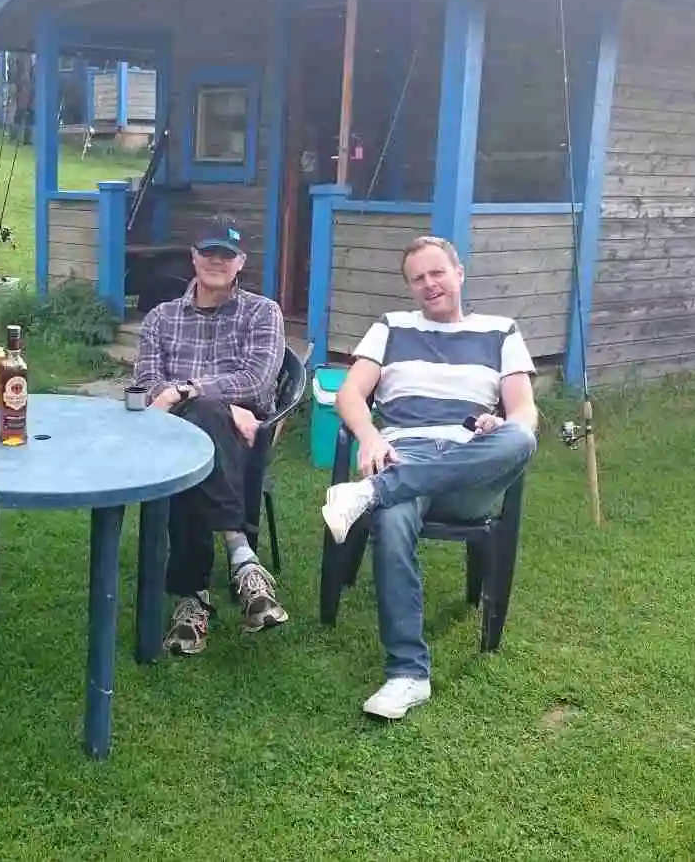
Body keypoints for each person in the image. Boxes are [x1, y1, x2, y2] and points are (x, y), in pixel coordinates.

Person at [322, 236, 539, 721]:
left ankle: (371, 493)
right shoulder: (390, 327)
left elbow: (524, 413)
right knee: (395, 518)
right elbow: (350, 395)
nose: (429, 284)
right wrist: (370, 437)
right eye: (418, 278)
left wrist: (499, 424)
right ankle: (408, 675)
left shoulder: (501, 331)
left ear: (459, 272)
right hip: (404, 450)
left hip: (470, 463)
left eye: (437, 272)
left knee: (520, 440)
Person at [131, 213, 288, 656]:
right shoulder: (161, 318)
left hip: (243, 438)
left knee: (198, 422)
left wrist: (187, 391)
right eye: (208, 253)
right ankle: (241, 555)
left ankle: (190, 598)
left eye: (227, 254)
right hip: (179, 433)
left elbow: (258, 382)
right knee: (198, 421)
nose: (216, 261)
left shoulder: (263, 312)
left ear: (241, 262)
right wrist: (212, 403)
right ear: (193, 257)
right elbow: (145, 384)